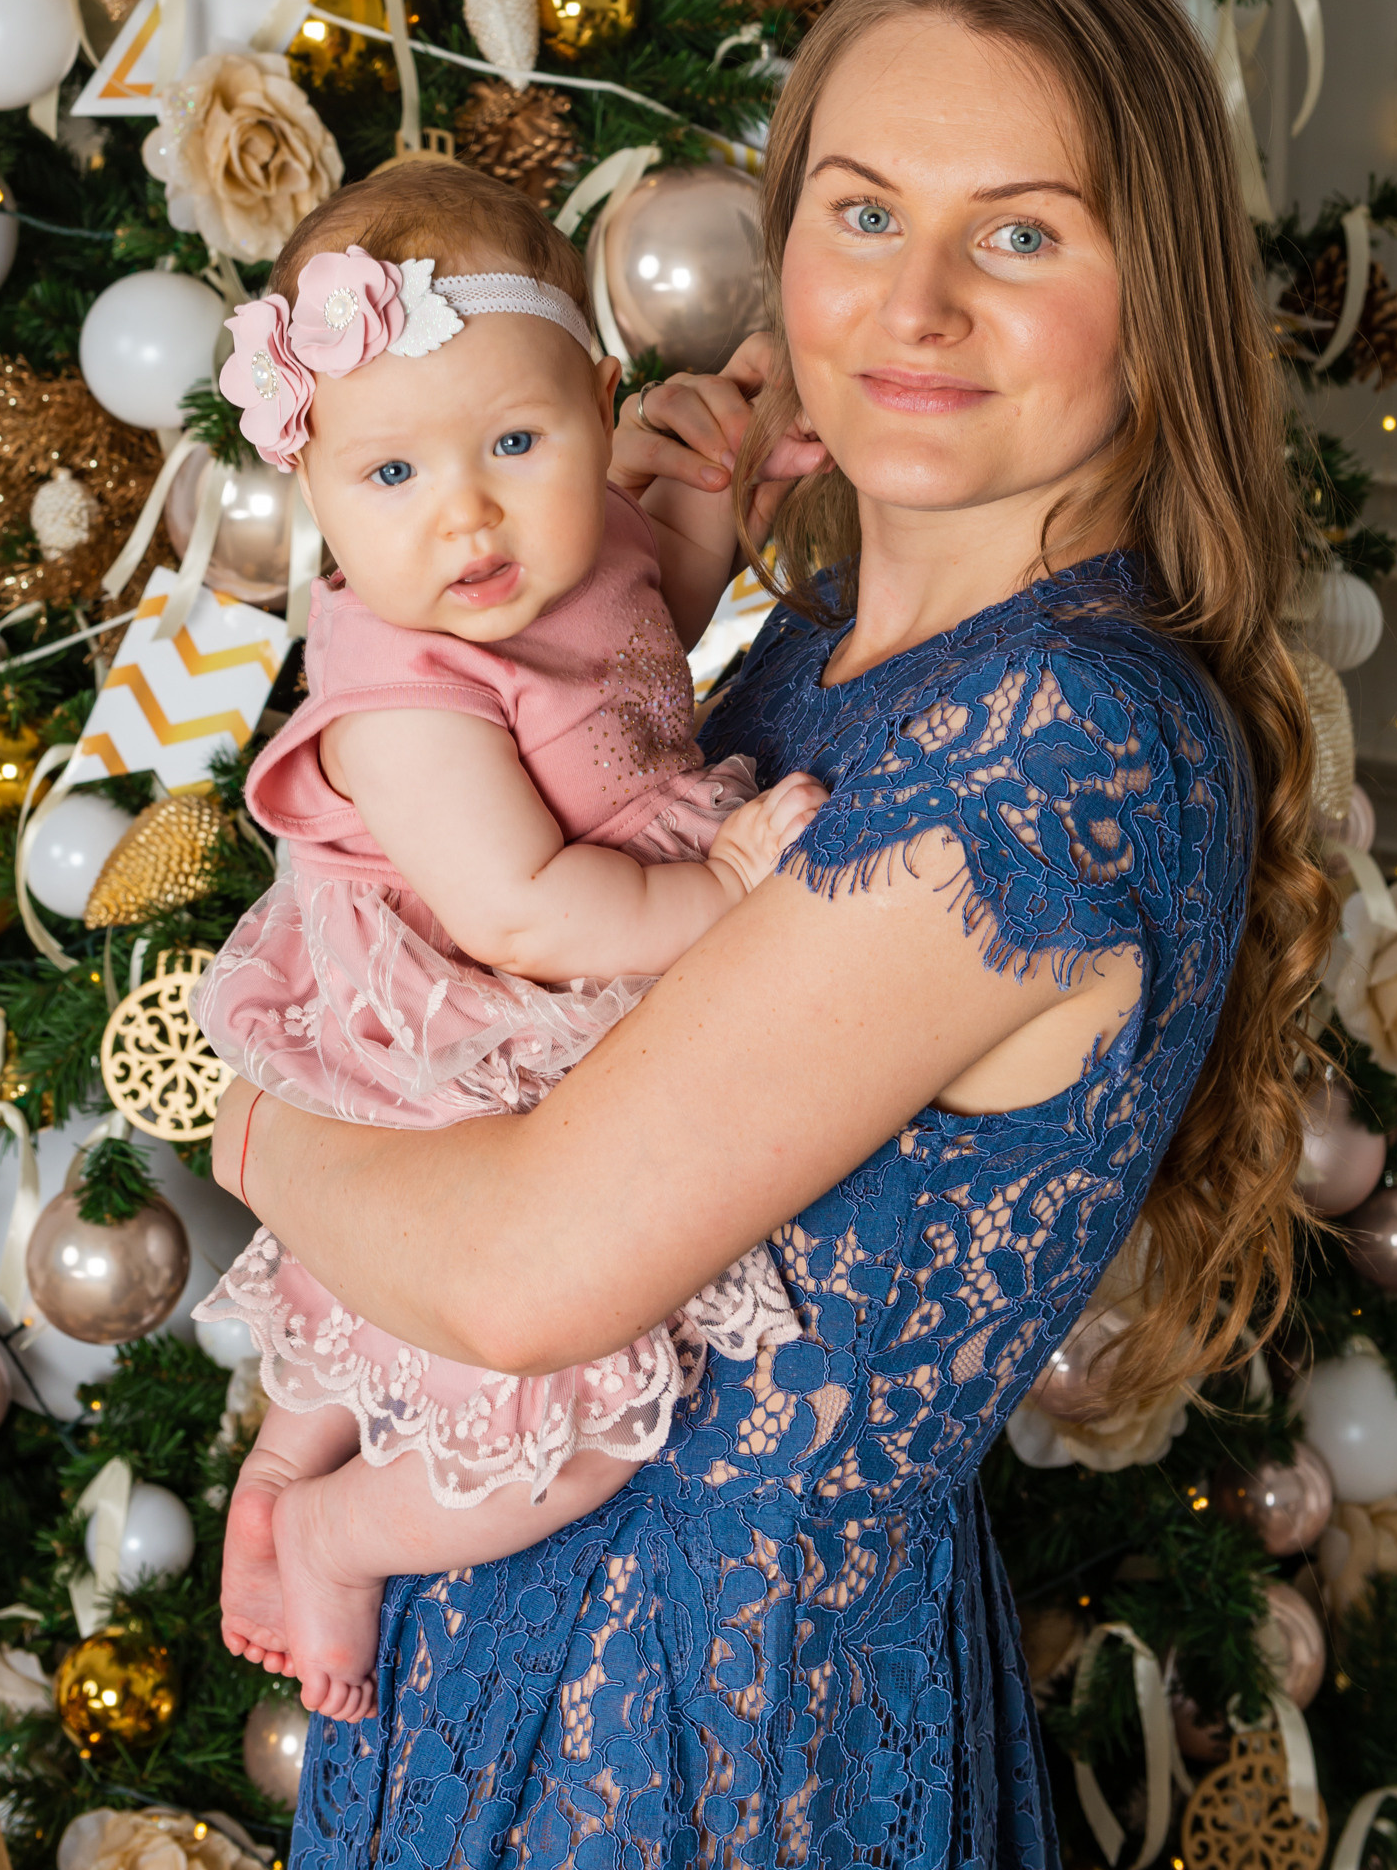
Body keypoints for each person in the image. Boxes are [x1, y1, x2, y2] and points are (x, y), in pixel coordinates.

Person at [210, 0, 1335, 1868]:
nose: (909, 305)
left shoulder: (1057, 742)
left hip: (719, 1742)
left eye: (1016, 233)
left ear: (1150, 287)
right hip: (495, 1628)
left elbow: (512, 1272)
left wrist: (237, 1113)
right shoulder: (814, 644)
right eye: (860, 211)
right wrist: (654, 542)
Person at [195, 165, 830, 1719]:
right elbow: (517, 908)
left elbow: (641, 630)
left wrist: (726, 485)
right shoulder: (401, 681)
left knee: (371, 1325)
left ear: (596, 408)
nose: (464, 514)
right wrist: (727, 903)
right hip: (465, 997)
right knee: (595, 1412)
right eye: (389, 477)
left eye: (515, 445)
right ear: (320, 493)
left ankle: (283, 1473)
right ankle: (334, 1525)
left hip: (564, 941)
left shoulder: (572, 545)